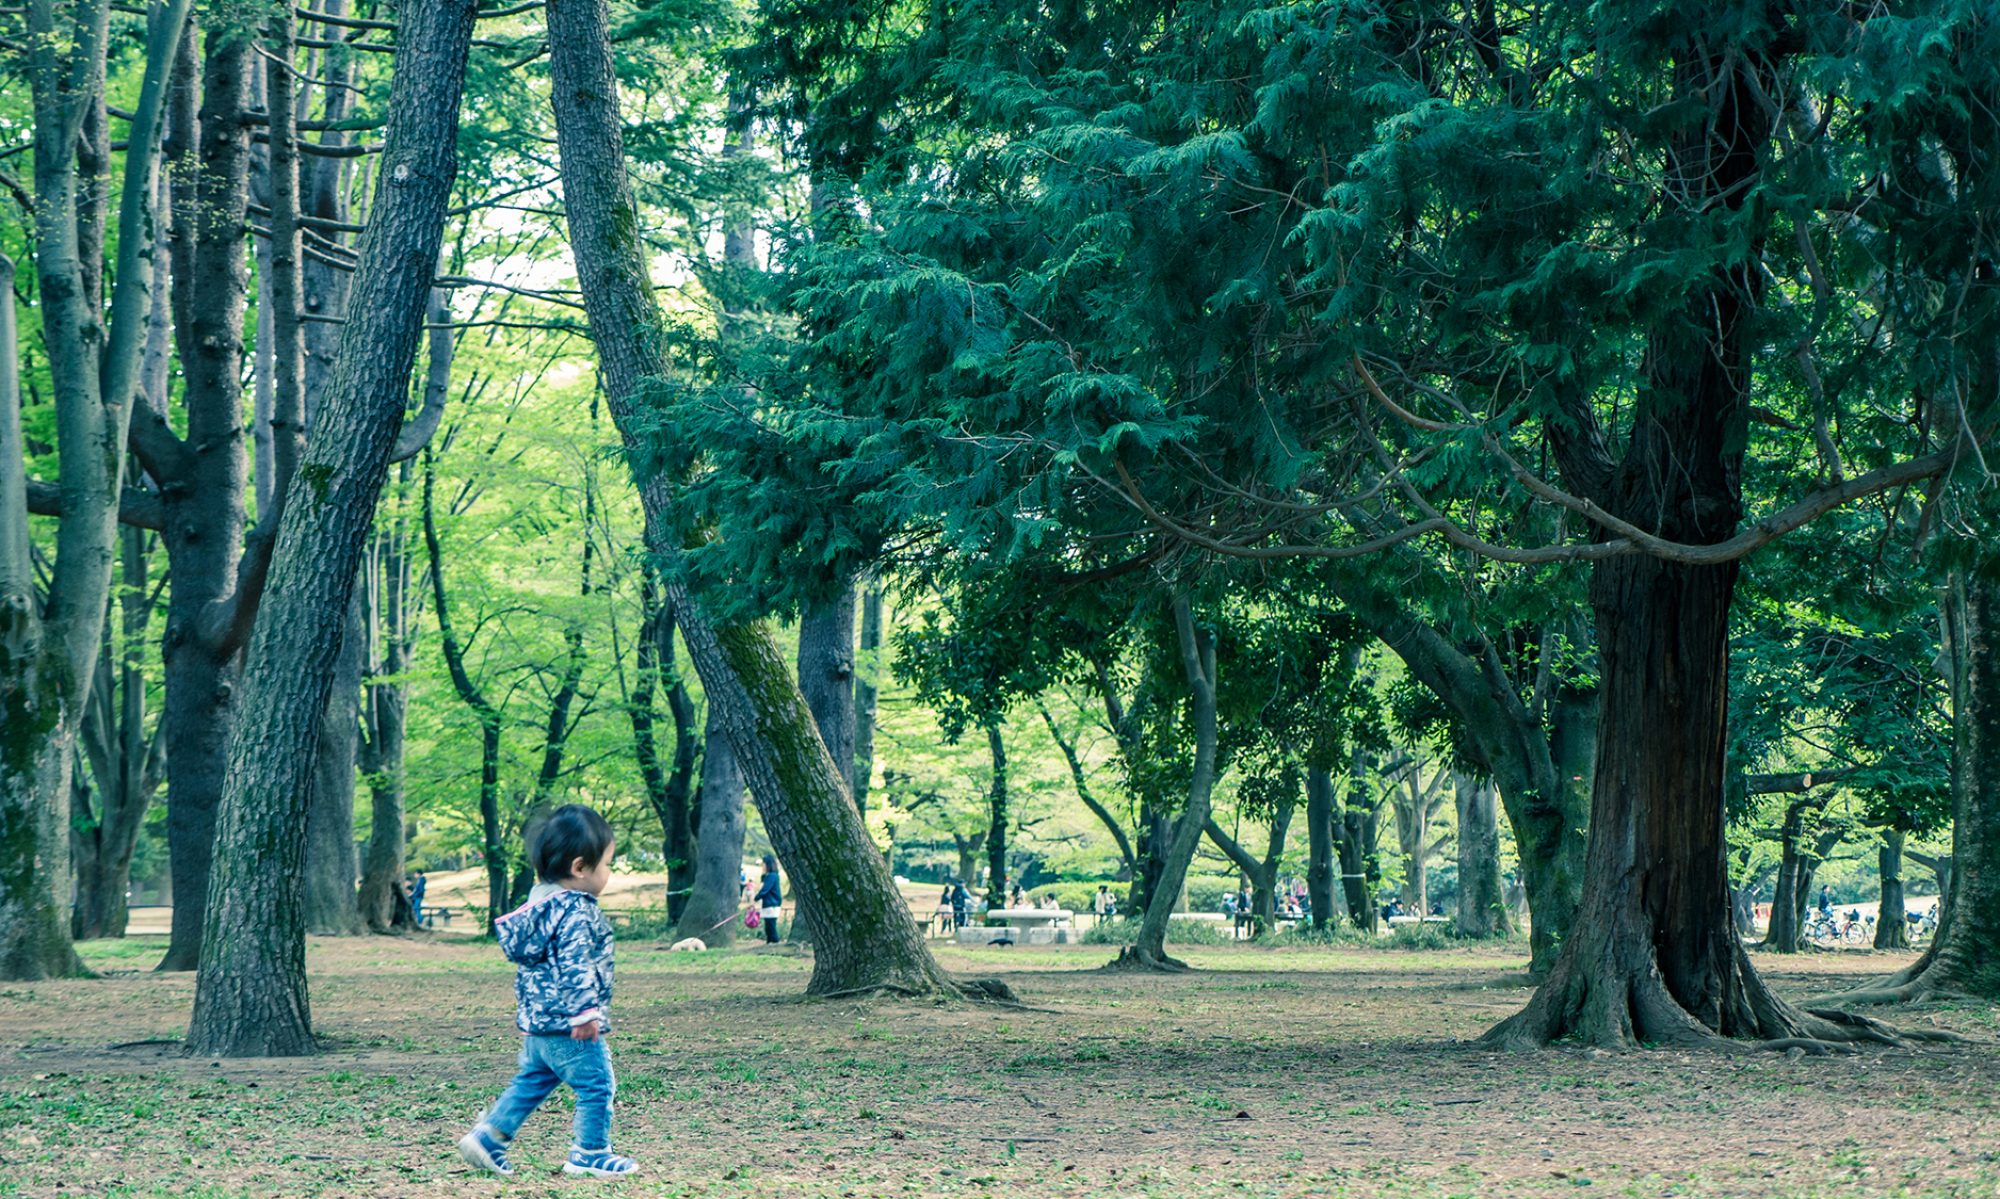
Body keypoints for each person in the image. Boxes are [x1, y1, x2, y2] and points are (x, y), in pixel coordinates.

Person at [457, 804, 635, 1179]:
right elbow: (575, 963)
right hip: (570, 1022)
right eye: (606, 864)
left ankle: (488, 1137)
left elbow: (530, 971)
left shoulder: (538, 909)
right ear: (579, 867)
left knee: (532, 1081)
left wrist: (530, 1016)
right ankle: (590, 1151)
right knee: (597, 1084)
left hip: (540, 1024)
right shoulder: (576, 910)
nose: (609, 873)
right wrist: (585, 1012)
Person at [755, 854, 783, 944]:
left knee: (771, 926)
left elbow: (765, 890)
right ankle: (770, 943)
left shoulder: (772, 876)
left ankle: (774, 943)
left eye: (763, 864)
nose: (762, 866)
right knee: (768, 926)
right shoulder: (771, 876)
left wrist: (756, 898)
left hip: (772, 904)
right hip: (770, 904)